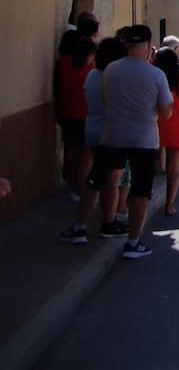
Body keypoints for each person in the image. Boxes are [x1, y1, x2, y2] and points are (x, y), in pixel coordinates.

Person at [91, 26, 173, 259]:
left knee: (109, 179)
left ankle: (107, 221)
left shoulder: (110, 70)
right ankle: (133, 241)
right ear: (148, 46)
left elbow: (105, 100)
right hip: (143, 139)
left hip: (113, 134)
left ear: (126, 45)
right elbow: (166, 112)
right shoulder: (156, 75)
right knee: (140, 191)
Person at [60, 37, 130, 244]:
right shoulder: (113, 78)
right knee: (102, 181)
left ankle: (105, 222)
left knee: (105, 180)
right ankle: (82, 225)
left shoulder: (92, 75)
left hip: (95, 130)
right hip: (111, 135)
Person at [54, 37, 96, 199]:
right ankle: (79, 189)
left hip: (66, 115)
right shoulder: (90, 71)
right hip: (85, 117)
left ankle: (70, 185)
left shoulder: (63, 63)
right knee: (83, 157)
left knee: (70, 152)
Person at [154, 48, 179, 217]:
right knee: (173, 170)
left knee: (146, 166)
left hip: (155, 126)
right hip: (176, 127)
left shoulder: (154, 79)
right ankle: (169, 204)